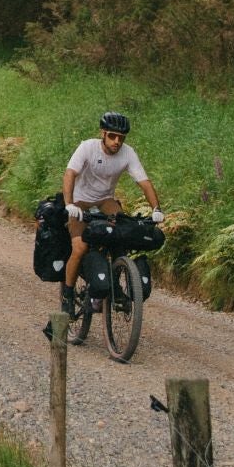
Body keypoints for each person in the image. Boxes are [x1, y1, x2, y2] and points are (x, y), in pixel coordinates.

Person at [60, 111, 163, 317]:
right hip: (80, 201)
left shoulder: (128, 153)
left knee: (121, 236)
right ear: (103, 134)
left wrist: (156, 209)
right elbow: (70, 174)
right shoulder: (87, 147)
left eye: (121, 138)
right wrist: (69, 204)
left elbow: (144, 182)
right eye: (113, 136)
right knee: (80, 248)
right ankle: (68, 295)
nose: (117, 142)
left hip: (106, 200)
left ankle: (114, 285)